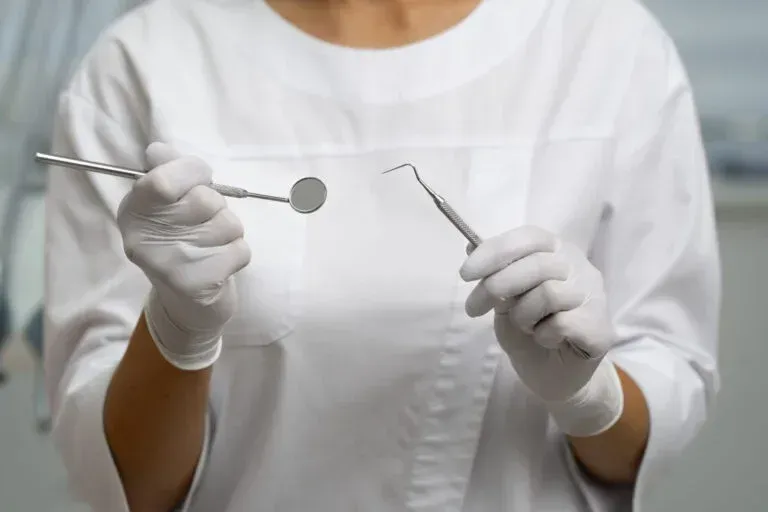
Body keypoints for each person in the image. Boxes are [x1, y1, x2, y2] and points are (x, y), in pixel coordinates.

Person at [43, 0, 721, 510]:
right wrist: (177, 332)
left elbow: (653, 420)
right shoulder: (142, 63)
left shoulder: (607, 47)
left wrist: (586, 392)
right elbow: (123, 483)